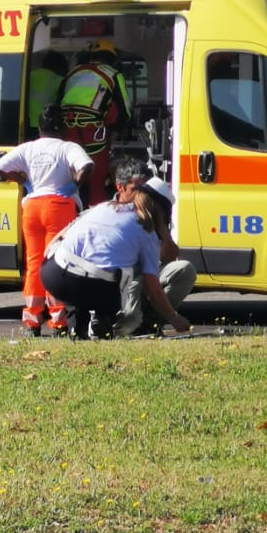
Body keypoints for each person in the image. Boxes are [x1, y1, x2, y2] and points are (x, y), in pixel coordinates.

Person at [39, 153, 191, 339]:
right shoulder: (145, 229)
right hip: (101, 282)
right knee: (118, 296)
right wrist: (174, 319)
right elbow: (153, 289)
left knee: (96, 279)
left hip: (52, 273)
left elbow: (61, 238)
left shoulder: (103, 208)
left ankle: (80, 330)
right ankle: (104, 324)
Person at [0, 103, 92, 335]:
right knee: (56, 263)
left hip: (32, 208)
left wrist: (24, 181)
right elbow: (86, 166)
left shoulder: (27, 148)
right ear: (62, 128)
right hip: (58, 207)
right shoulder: (67, 147)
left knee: (34, 263)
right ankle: (58, 322)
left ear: (39, 128)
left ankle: (32, 322)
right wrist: (72, 185)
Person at [114, 174, 196, 336]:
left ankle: (151, 322)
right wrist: (174, 317)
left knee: (185, 269)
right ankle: (118, 326)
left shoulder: (152, 221)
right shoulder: (120, 214)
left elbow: (170, 257)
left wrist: (162, 229)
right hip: (123, 278)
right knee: (130, 321)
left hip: (144, 275)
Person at [59, 37, 133, 205]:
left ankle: (71, 212)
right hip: (93, 133)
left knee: (70, 175)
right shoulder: (113, 74)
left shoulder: (73, 72)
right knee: (96, 178)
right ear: (113, 58)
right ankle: (95, 215)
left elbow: (58, 100)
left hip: (67, 131)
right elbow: (124, 109)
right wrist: (117, 130)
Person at [26, 51, 68, 135]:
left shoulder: (28, 75)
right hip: (45, 126)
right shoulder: (60, 80)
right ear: (59, 67)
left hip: (25, 123)